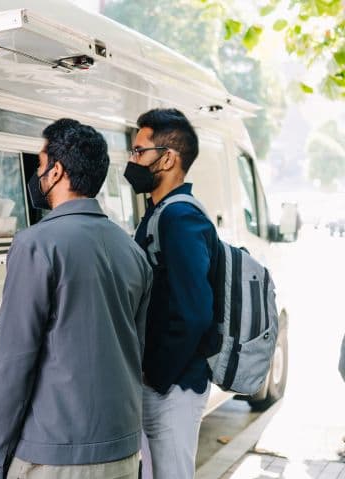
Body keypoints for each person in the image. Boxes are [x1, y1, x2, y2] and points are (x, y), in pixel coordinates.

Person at [0, 118, 152, 479]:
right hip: (122, 450)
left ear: (57, 171)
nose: (37, 173)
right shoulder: (132, 251)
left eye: (40, 164)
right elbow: (137, 350)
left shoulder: (36, 244)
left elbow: (13, 364)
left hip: (53, 455)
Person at [123, 108, 219, 479]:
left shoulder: (180, 218)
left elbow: (194, 311)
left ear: (167, 158)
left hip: (174, 384)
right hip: (164, 381)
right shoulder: (159, 212)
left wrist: (155, 374)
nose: (133, 161)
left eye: (139, 151)